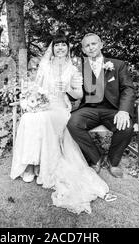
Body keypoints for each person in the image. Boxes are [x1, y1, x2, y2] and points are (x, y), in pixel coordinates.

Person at [10, 32, 116, 214]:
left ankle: (38, 166)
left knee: (43, 119)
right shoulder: (44, 65)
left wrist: (67, 88)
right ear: (52, 48)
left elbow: (79, 95)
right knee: (28, 118)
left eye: (63, 45)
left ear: (67, 48)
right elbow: (36, 87)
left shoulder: (73, 69)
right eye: (56, 45)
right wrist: (32, 100)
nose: (60, 48)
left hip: (60, 108)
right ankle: (30, 164)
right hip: (43, 105)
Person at [67, 33, 136, 178]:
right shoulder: (79, 68)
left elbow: (128, 89)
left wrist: (124, 111)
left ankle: (113, 161)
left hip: (113, 110)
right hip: (89, 109)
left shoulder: (117, 65)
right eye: (87, 45)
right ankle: (95, 158)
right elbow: (73, 91)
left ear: (101, 45)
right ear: (84, 50)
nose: (91, 47)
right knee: (72, 123)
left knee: (127, 126)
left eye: (93, 44)